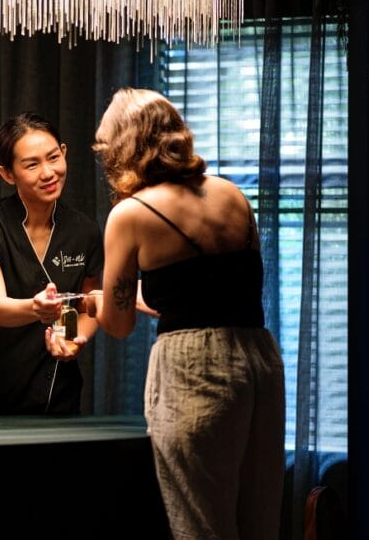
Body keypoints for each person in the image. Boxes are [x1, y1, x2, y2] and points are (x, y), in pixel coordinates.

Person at [75, 88, 285, 539]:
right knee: (259, 519)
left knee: (201, 523)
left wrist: (95, 303)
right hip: (259, 361)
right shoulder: (231, 195)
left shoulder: (131, 213)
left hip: (194, 369)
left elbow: (117, 323)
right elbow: (212, 295)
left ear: (125, 146)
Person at [0, 111, 103, 416]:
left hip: (58, 393)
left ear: (64, 152)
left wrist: (73, 340)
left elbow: (88, 306)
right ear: (8, 174)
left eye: (53, 157)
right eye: (31, 164)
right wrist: (37, 309)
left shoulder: (85, 231)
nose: (48, 172)